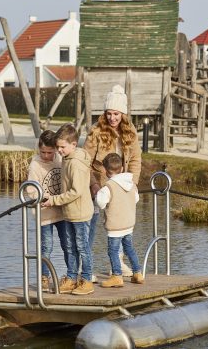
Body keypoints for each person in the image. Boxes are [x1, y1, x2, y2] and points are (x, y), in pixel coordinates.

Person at [83, 84, 142, 277]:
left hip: (122, 187)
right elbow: (85, 161)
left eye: (116, 114)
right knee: (90, 228)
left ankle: (118, 265)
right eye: (109, 113)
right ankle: (86, 268)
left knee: (121, 227)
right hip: (100, 187)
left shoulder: (130, 132)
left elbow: (135, 159)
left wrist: (133, 185)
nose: (112, 118)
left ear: (123, 114)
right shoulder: (96, 132)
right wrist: (93, 184)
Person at [42, 123, 94, 295]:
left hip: (80, 212)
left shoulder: (75, 164)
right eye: (57, 147)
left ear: (73, 144)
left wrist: (54, 200)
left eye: (62, 147)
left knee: (82, 247)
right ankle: (71, 278)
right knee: (70, 247)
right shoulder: (66, 159)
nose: (59, 150)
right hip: (70, 213)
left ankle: (86, 279)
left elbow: (76, 191)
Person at [26, 129, 66, 292]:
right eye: (43, 152)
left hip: (62, 211)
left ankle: (71, 276)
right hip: (44, 213)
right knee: (46, 246)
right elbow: (31, 189)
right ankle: (44, 277)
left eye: (50, 152)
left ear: (55, 150)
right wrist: (43, 198)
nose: (46, 156)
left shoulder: (61, 158)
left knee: (67, 244)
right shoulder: (35, 164)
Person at [96, 153, 144, 287]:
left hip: (115, 227)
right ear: (122, 168)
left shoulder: (108, 187)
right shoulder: (132, 184)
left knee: (113, 251)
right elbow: (136, 199)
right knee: (129, 249)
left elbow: (100, 203)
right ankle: (137, 273)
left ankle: (117, 275)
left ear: (105, 171)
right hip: (129, 224)